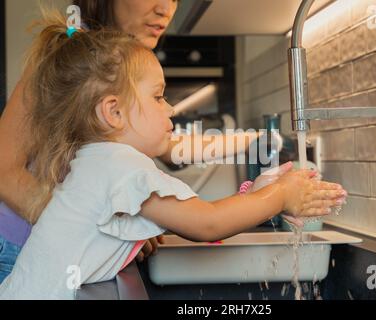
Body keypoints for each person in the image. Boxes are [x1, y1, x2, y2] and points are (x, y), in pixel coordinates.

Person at [0, 11, 346, 299]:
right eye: (158, 97)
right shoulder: (121, 165)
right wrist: (281, 195)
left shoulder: (96, 159)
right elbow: (207, 224)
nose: (170, 108)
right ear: (113, 112)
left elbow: (198, 214)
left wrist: (254, 195)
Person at [0, 0, 261, 282]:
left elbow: (171, 148)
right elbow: (3, 169)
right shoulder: (72, 58)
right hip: (18, 247)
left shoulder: (123, 61)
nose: (166, 10)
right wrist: (104, 228)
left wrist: (255, 139)